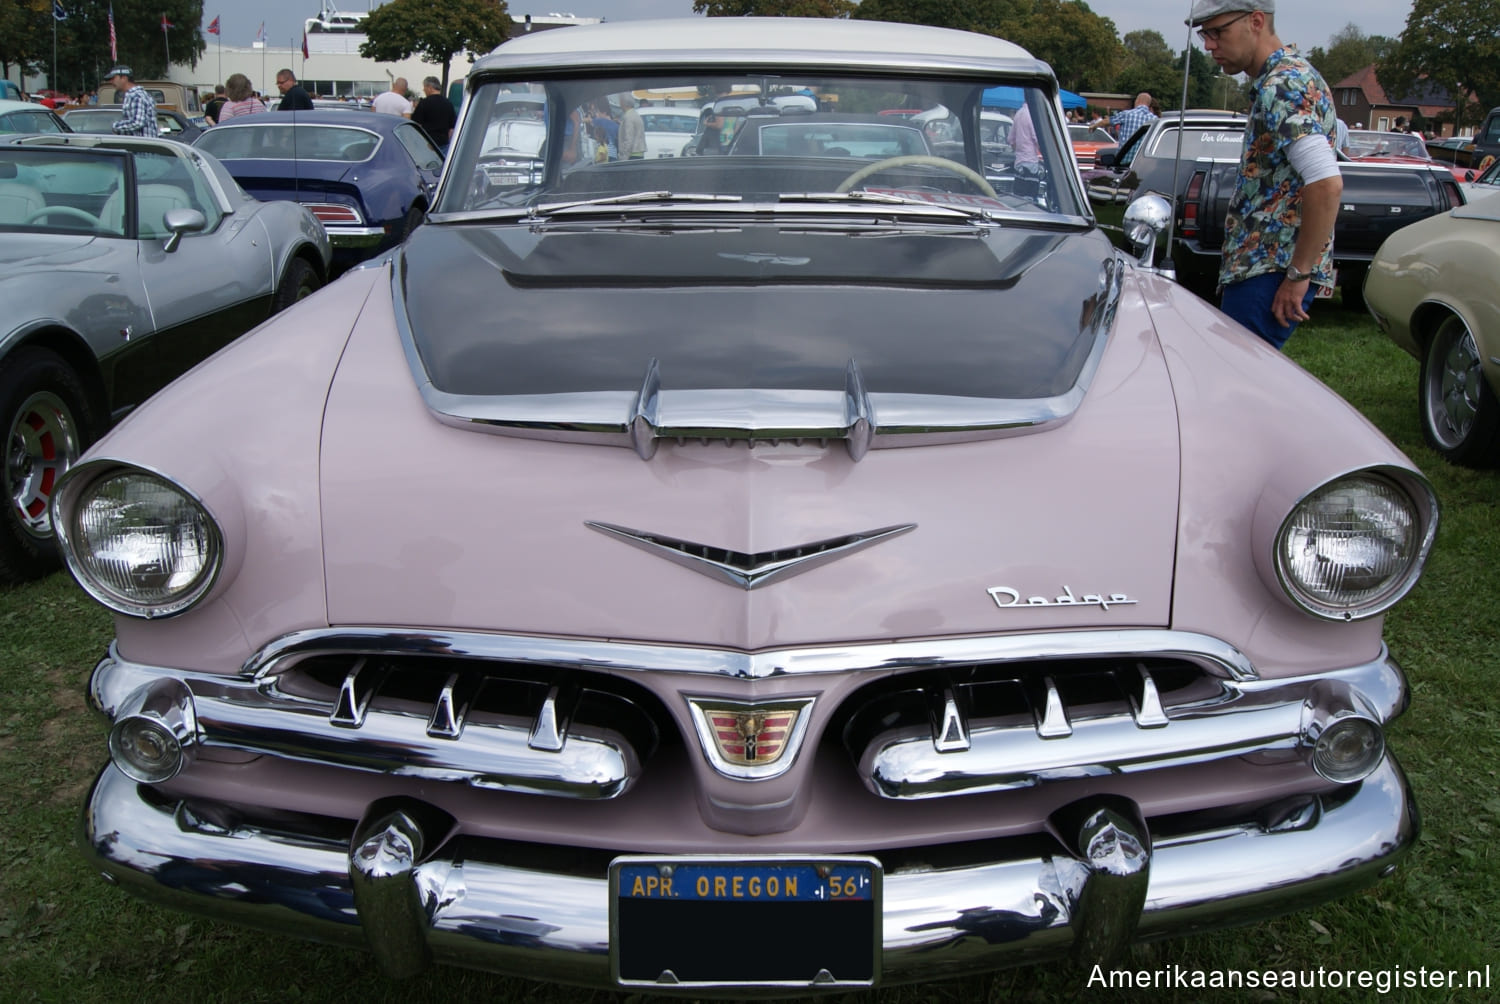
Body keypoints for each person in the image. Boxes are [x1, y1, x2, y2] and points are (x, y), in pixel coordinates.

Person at [1192, 0, 1341, 350]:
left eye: (1218, 32)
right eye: (1204, 34)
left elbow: (1327, 183)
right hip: (1266, 267)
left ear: (1256, 21)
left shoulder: (1283, 86)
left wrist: (1298, 273)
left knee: (1237, 387)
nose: (1209, 44)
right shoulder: (1292, 76)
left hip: (1269, 270)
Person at [410, 76, 457, 152]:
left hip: (427, 143)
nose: (423, 90)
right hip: (444, 143)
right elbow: (451, 128)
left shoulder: (424, 103)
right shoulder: (448, 103)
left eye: (424, 87)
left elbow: (417, 124)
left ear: (430, 87)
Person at [107, 66, 157, 137]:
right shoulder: (133, 95)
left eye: (113, 78)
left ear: (124, 78)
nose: (111, 82)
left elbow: (137, 123)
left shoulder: (136, 96)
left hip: (142, 145)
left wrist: (114, 126)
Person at [1092, 92, 1157, 141]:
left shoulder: (1126, 114)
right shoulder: (1154, 119)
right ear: (1148, 104)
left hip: (1125, 156)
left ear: (1137, 101)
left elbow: (1107, 121)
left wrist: (1094, 126)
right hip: (1142, 158)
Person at [617, 94, 647, 159]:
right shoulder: (635, 114)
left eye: (620, 102)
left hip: (631, 154)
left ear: (623, 103)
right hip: (639, 153)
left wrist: (624, 158)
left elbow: (629, 139)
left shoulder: (628, 117)